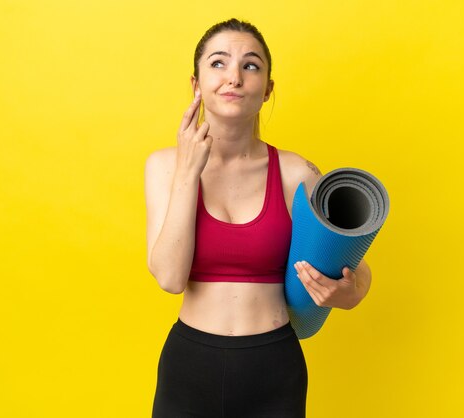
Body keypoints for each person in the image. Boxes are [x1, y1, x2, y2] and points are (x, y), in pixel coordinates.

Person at [145, 18, 372, 418]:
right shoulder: (164, 166)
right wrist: (187, 175)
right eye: (218, 63)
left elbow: (356, 264)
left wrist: (349, 293)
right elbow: (169, 278)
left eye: (250, 65)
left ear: (267, 89)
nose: (234, 76)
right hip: (189, 368)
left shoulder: (296, 172)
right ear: (196, 84)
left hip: (274, 367)